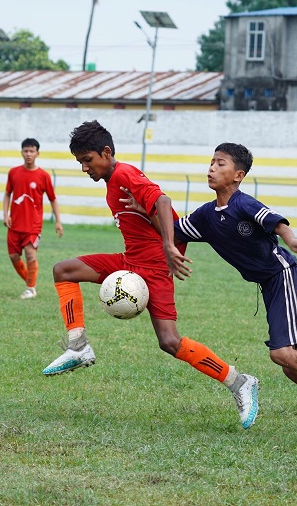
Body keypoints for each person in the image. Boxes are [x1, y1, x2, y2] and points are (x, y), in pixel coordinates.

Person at [126, 143, 297, 442]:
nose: (211, 168)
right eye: (211, 162)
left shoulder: (243, 204)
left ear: (237, 175)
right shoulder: (207, 215)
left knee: (282, 354)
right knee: (291, 367)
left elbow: (275, 222)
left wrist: (293, 240)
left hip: (283, 277)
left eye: (220, 163)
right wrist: (144, 210)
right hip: (271, 286)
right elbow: (172, 230)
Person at [42, 120, 260, 430]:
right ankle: (78, 346)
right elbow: (153, 213)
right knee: (63, 270)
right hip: (129, 261)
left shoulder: (125, 174)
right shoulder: (111, 182)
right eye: (80, 162)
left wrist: (170, 248)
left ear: (106, 152)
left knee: (170, 342)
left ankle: (240, 382)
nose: (84, 168)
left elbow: (162, 201)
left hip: (155, 268)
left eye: (87, 160)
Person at [3, 137, 63, 299]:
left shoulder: (43, 176)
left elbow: (53, 199)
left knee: (30, 254)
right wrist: (6, 214)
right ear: (21, 152)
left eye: (32, 151)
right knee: (14, 257)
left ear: (37, 153)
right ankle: (31, 282)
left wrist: (58, 221)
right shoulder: (13, 172)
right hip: (14, 223)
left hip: (33, 225)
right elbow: (7, 194)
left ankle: (30, 288)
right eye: (26, 151)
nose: (28, 154)